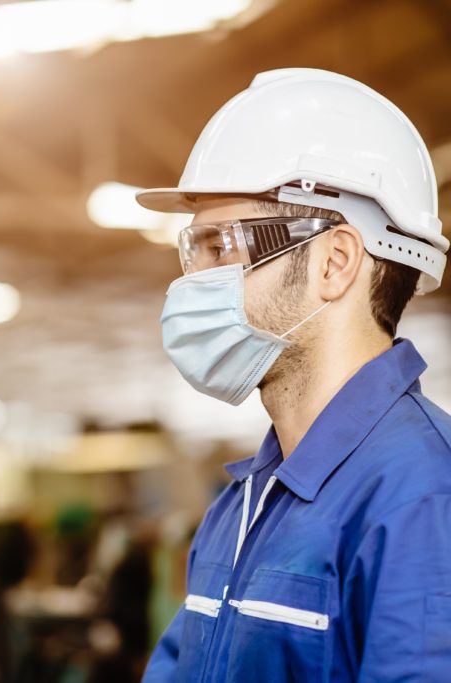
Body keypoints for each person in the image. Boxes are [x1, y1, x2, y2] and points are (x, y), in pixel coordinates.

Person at [137, 69, 451, 681]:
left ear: (334, 262)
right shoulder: (241, 506)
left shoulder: (423, 501)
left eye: (221, 248)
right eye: (193, 252)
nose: (191, 282)